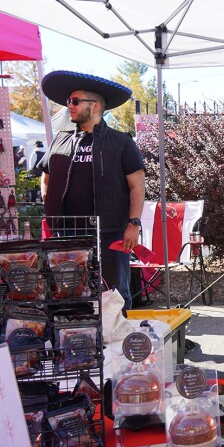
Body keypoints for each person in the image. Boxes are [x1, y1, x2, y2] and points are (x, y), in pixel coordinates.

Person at [38, 71, 145, 310]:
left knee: (115, 293)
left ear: (95, 106)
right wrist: (50, 213)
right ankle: (77, 338)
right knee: (69, 289)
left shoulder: (121, 142)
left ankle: (116, 342)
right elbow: (46, 179)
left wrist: (133, 224)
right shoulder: (61, 140)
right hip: (68, 231)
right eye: (68, 102)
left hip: (110, 232)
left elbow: (137, 186)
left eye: (75, 101)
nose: (69, 107)